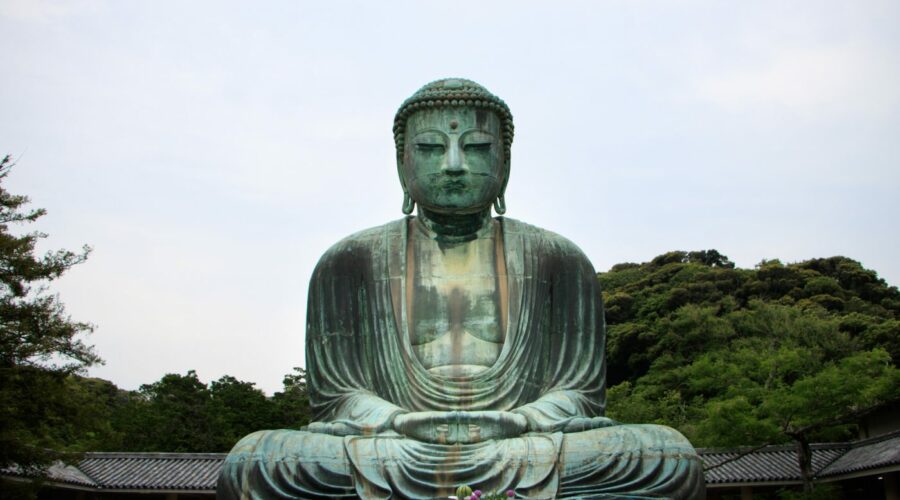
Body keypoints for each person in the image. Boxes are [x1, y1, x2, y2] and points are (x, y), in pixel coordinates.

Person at [217, 78, 706, 499]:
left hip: (523, 443)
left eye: (475, 148)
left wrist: (518, 421)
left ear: (506, 164)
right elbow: (339, 397)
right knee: (255, 461)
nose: (453, 164)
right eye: (431, 148)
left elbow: (577, 395)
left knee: (665, 456)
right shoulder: (349, 262)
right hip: (393, 445)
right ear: (401, 164)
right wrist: (398, 422)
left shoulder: (559, 260)